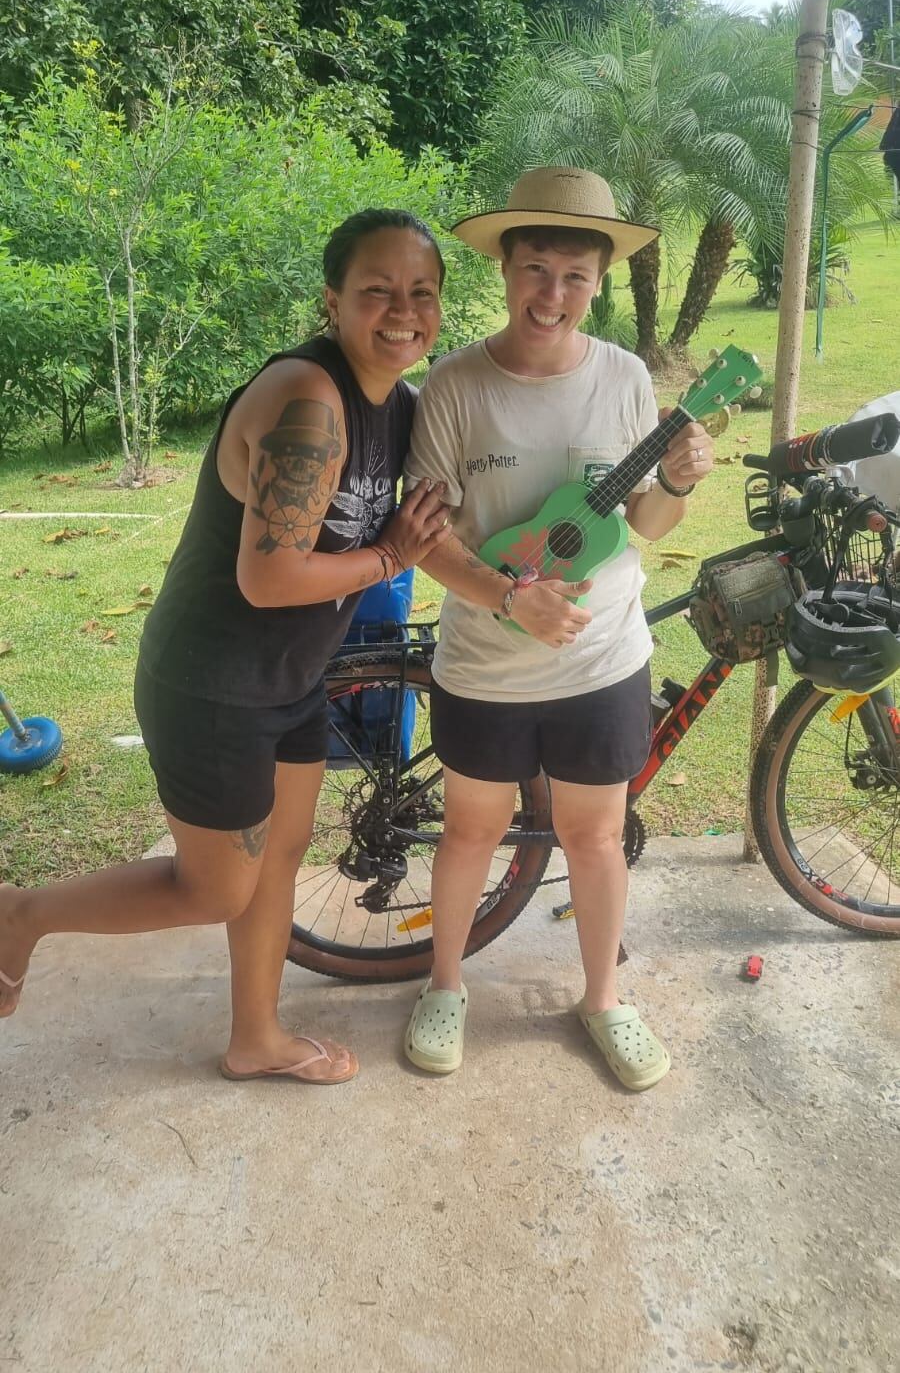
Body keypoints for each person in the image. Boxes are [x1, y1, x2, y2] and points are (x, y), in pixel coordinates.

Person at [0, 209, 449, 1086]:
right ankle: (20, 916)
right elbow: (270, 576)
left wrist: (517, 598)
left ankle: (255, 1038)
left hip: (292, 677)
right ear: (333, 301)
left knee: (279, 856)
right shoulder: (309, 401)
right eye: (377, 290)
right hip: (212, 683)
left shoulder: (400, 408)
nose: (403, 310)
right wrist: (389, 554)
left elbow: (429, 537)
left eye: (422, 292)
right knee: (216, 888)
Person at [401, 167, 714, 1091]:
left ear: (601, 280)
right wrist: (508, 597)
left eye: (575, 276)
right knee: (470, 832)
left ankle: (603, 1000)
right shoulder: (454, 385)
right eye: (535, 269)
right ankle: (445, 984)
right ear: (503, 269)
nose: (554, 296)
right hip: (487, 664)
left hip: (604, 656)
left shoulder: (624, 378)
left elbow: (645, 524)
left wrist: (683, 483)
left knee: (595, 836)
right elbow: (424, 541)